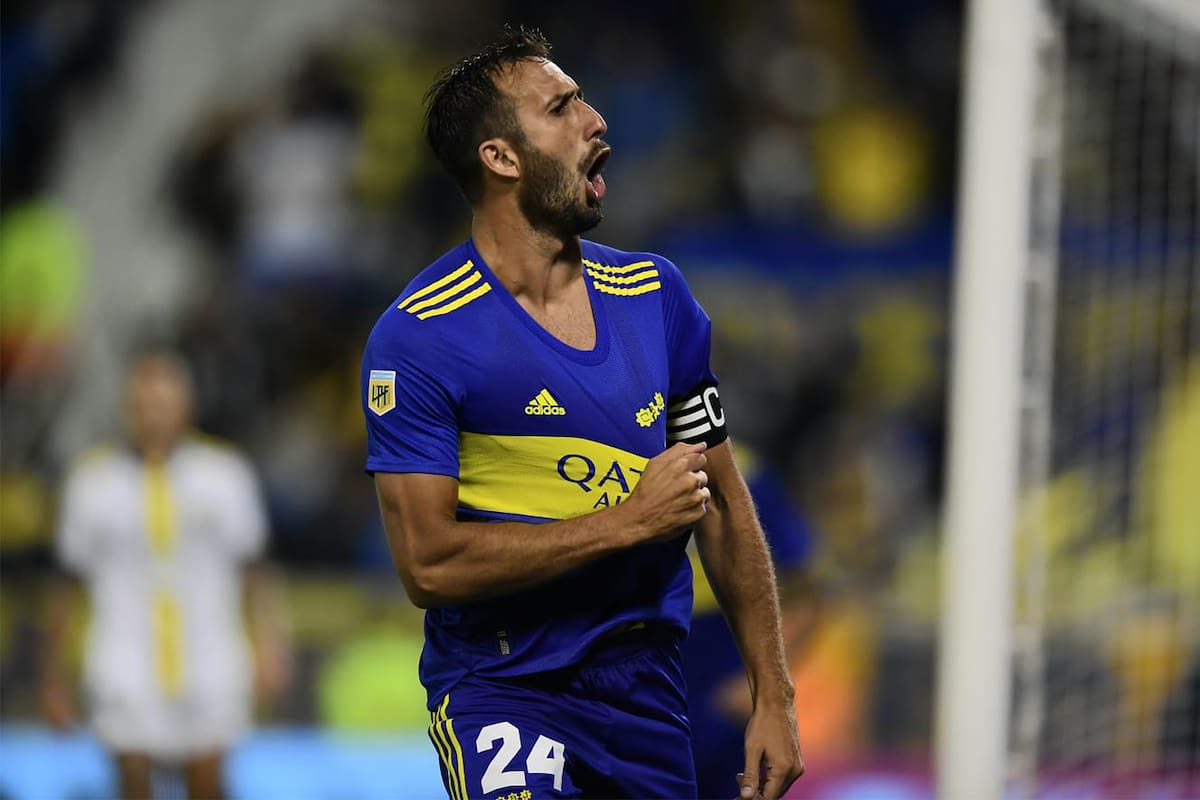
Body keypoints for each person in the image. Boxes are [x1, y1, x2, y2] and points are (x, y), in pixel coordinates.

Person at [361, 26, 803, 800]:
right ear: (500, 157)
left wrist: (775, 694)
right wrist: (625, 522)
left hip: (647, 691)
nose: (595, 120)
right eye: (562, 107)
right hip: (504, 684)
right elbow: (428, 563)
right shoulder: (421, 336)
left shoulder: (657, 298)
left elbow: (725, 507)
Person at [39, 345, 290, 799]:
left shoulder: (226, 475)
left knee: (208, 784)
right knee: (132, 783)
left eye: (162, 404)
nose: (152, 417)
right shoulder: (91, 482)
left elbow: (254, 570)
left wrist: (271, 646)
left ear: (186, 408)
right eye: (141, 406)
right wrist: (54, 676)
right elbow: (66, 584)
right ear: (126, 410)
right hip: (123, 657)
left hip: (210, 654)